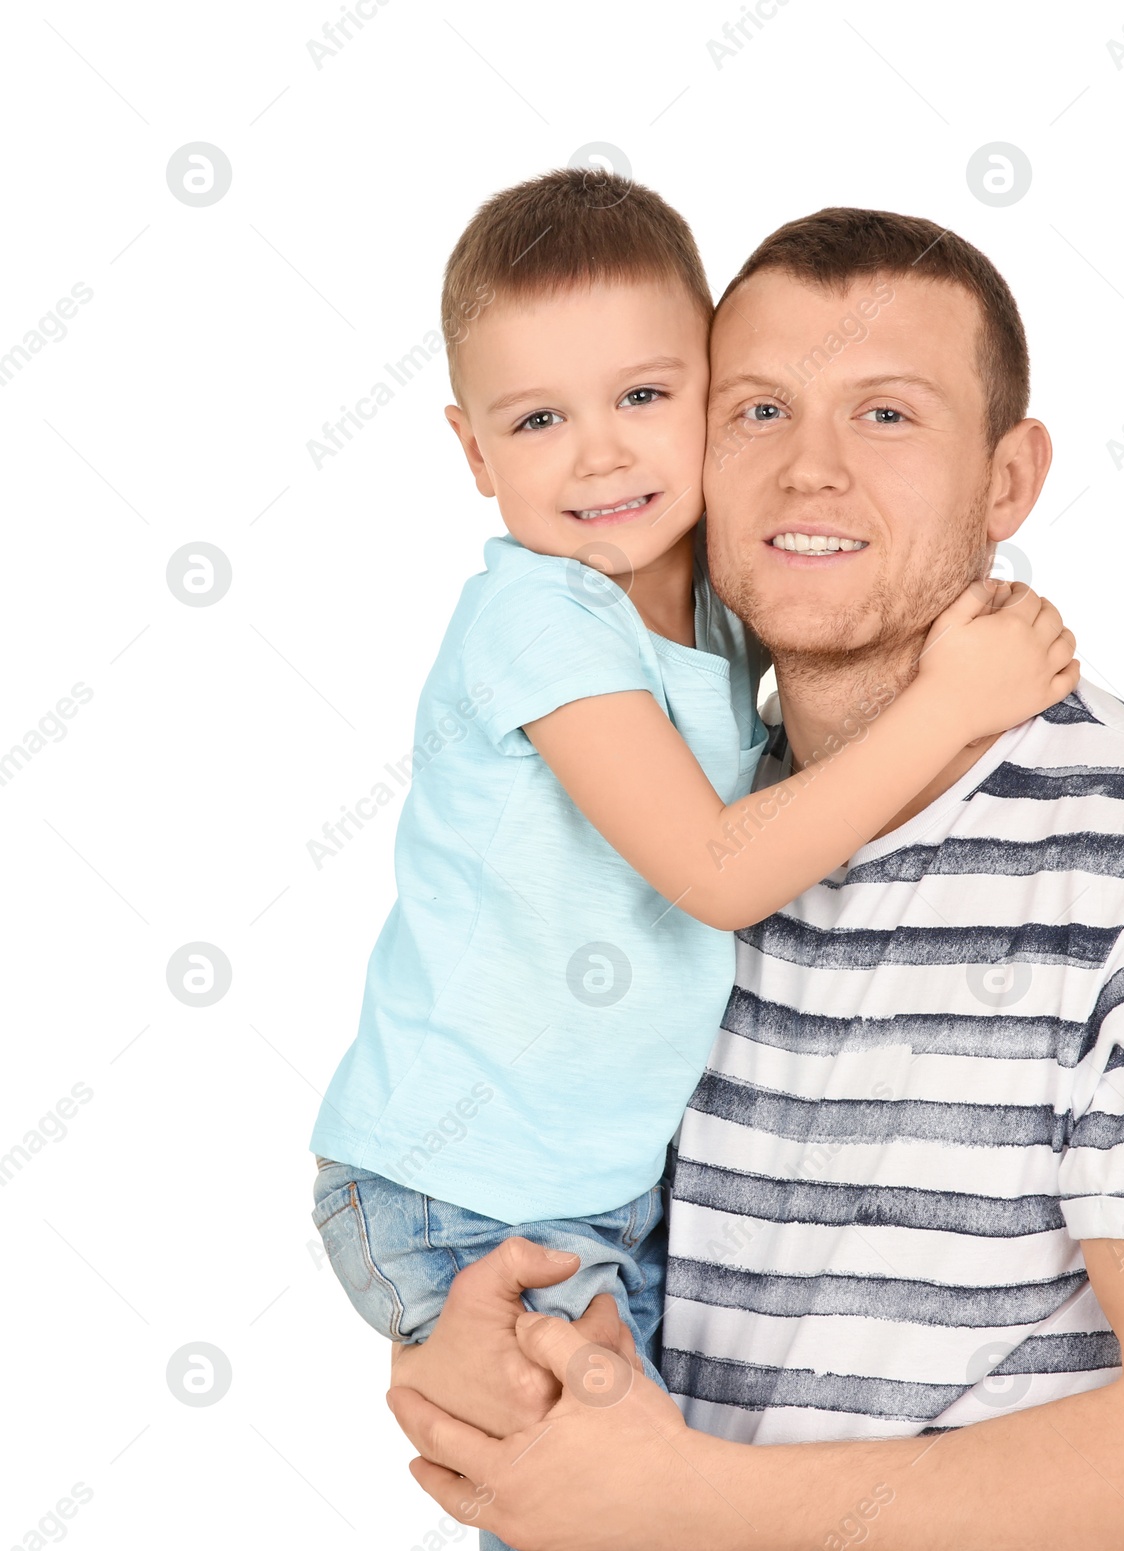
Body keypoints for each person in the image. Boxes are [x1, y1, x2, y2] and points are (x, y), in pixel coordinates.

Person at [385, 207, 1124, 1551]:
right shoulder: (676, 829)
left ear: (1008, 481)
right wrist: (458, 1334)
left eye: (887, 416)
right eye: (759, 409)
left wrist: (683, 1508)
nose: (808, 472)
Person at [307, 167, 1080, 1513]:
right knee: (604, 1505)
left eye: (647, 399)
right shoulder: (540, 624)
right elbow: (719, 872)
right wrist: (957, 701)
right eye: (539, 418)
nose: (601, 455)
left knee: (634, 1501)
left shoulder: (712, 615)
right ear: (474, 454)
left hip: (596, 1185)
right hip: (469, 1187)